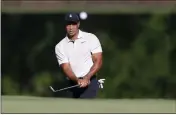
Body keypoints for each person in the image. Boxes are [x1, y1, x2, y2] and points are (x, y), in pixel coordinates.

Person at [55, 12, 103, 98]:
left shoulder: (91, 38)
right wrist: (77, 80)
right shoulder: (60, 46)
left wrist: (87, 78)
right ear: (65, 26)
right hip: (72, 83)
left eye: (73, 24)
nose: (71, 27)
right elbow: (66, 68)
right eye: (68, 24)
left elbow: (98, 61)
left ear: (78, 24)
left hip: (90, 81)